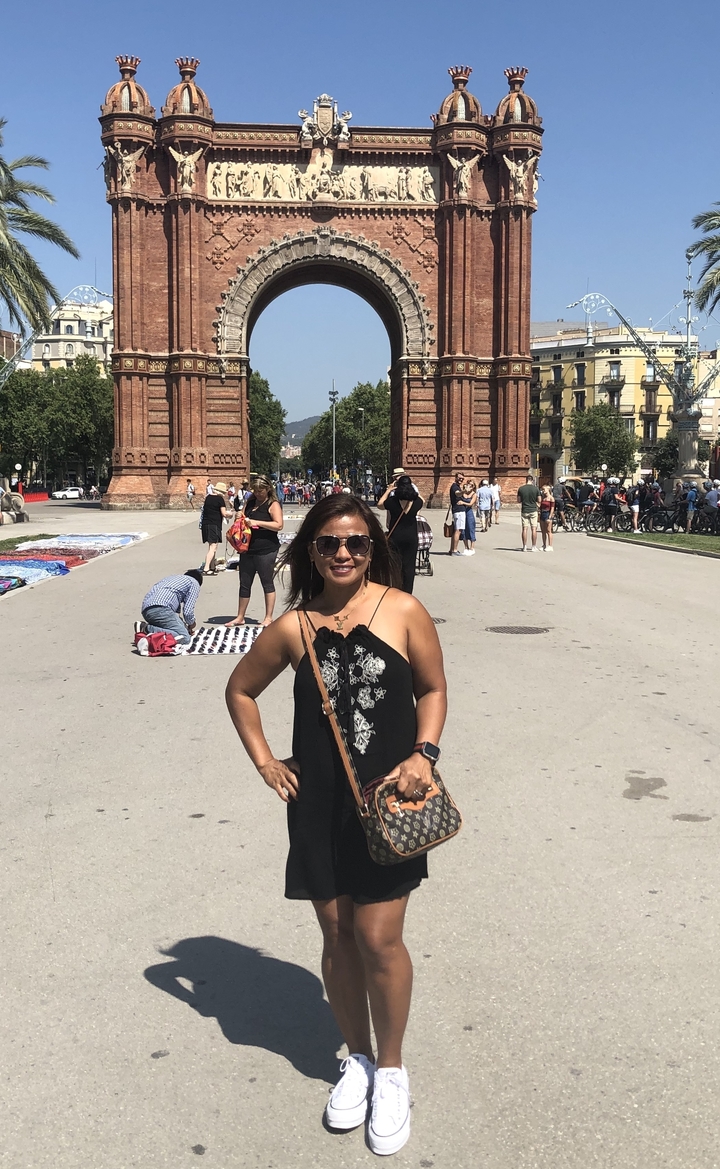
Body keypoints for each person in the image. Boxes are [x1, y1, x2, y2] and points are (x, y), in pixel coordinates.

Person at [225, 494, 447, 1155]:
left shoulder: (404, 609)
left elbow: (433, 689)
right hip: (318, 803)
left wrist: (424, 753)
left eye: (354, 540)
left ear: (373, 546)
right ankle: (359, 1057)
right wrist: (266, 762)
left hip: (390, 800)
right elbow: (239, 689)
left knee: (379, 938)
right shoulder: (294, 626)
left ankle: (395, 1069)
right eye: (327, 542)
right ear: (309, 551)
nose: (343, 551)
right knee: (337, 933)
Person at [226, 475, 283, 627]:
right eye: (255, 491)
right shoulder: (250, 501)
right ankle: (240, 617)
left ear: (268, 489)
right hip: (247, 548)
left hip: (266, 549)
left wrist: (257, 522)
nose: (258, 493)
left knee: (267, 582)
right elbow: (243, 517)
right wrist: (239, 516)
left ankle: (268, 618)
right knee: (244, 583)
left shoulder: (273, 504)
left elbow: (278, 525)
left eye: (261, 491)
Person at [378, 475, 423, 592]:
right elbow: (422, 499)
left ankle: (396, 590)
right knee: (409, 566)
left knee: (396, 565)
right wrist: (412, 489)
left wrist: (389, 490)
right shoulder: (417, 502)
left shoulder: (392, 502)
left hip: (395, 537)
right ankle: (407, 592)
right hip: (411, 538)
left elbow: (379, 504)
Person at [137, 569, 202, 645]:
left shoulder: (172, 579)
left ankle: (151, 630)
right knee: (185, 638)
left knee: (177, 630)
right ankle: (147, 629)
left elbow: (174, 617)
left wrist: (185, 627)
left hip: (147, 610)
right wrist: (191, 623)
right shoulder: (194, 582)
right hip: (161, 609)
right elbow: (188, 612)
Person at [201, 482, 229, 575]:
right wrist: (230, 514)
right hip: (214, 524)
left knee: (211, 546)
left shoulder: (208, 497)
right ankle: (206, 568)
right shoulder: (219, 499)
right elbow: (224, 513)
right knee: (213, 547)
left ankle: (212, 567)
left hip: (206, 524)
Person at [517, 474, 541, 551]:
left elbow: (518, 500)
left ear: (526, 480)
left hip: (524, 510)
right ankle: (533, 546)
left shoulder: (521, 489)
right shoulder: (536, 489)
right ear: (532, 480)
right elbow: (539, 500)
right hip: (533, 510)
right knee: (534, 529)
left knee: (524, 529)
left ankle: (524, 546)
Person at [448, 472, 466, 556]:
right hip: (459, 511)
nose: (461, 479)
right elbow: (457, 493)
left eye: (462, 478)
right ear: (455, 478)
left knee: (456, 530)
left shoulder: (457, 486)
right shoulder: (455, 486)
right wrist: (464, 491)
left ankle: (452, 549)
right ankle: (454, 550)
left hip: (457, 511)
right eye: (459, 478)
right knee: (458, 530)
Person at [462, 481, 477, 553]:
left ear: (473, 487)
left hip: (469, 513)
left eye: (471, 485)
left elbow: (470, 504)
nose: (470, 486)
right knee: (463, 529)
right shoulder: (463, 493)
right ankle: (466, 546)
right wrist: (464, 490)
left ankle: (472, 547)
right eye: (468, 484)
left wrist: (463, 503)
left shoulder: (474, 494)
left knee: (471, 528)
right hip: (462, 512)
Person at [539, 485, 554, 551]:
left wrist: (550, 517)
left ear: (548, 490)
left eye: (544, 489)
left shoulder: (551, 498)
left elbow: (552, 508)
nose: (543, 491)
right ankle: (544, 545)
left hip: (547, 513)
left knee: (548, 531)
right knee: (543, 531)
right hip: (542, 513)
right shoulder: (543, 498)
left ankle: (550, 545)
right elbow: (540, 506)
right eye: (542, 489)